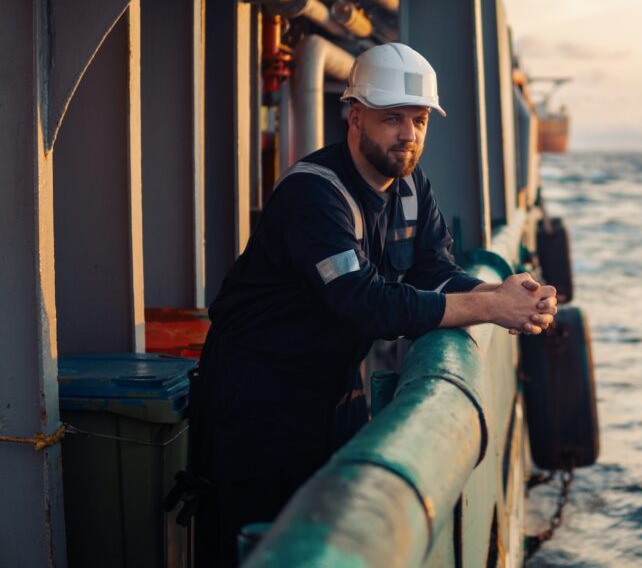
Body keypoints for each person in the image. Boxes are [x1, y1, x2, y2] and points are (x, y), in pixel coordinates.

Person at [185, 43, 557, 566]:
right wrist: (490, 310)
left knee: (335, 533)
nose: (408, 134)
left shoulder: (410, 185)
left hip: (334, 392)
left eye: (419, 119)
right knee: (256, 546)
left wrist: (501, 294)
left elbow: (436, 271)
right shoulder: (314, 194)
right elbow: (363, 303)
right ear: (355, 117)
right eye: (392, 119)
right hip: (254, 404)